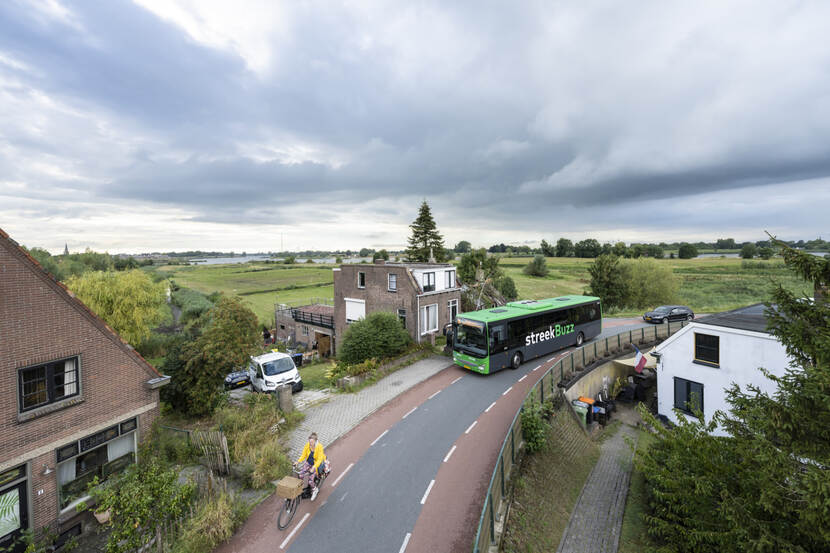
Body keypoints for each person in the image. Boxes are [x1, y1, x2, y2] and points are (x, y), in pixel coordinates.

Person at [294, 432, 328, 501]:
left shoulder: (319, 447)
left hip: (315, 465)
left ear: (315, 441)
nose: (310, 443)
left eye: (312, 442)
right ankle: (300, 489)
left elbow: (319, 459)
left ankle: (315, 490)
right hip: (308, 463)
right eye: (309, 442)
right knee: (300, 475)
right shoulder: (307, 445)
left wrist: (314, 467)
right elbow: (303, 455)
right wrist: (297, 462)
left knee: (310, 481)